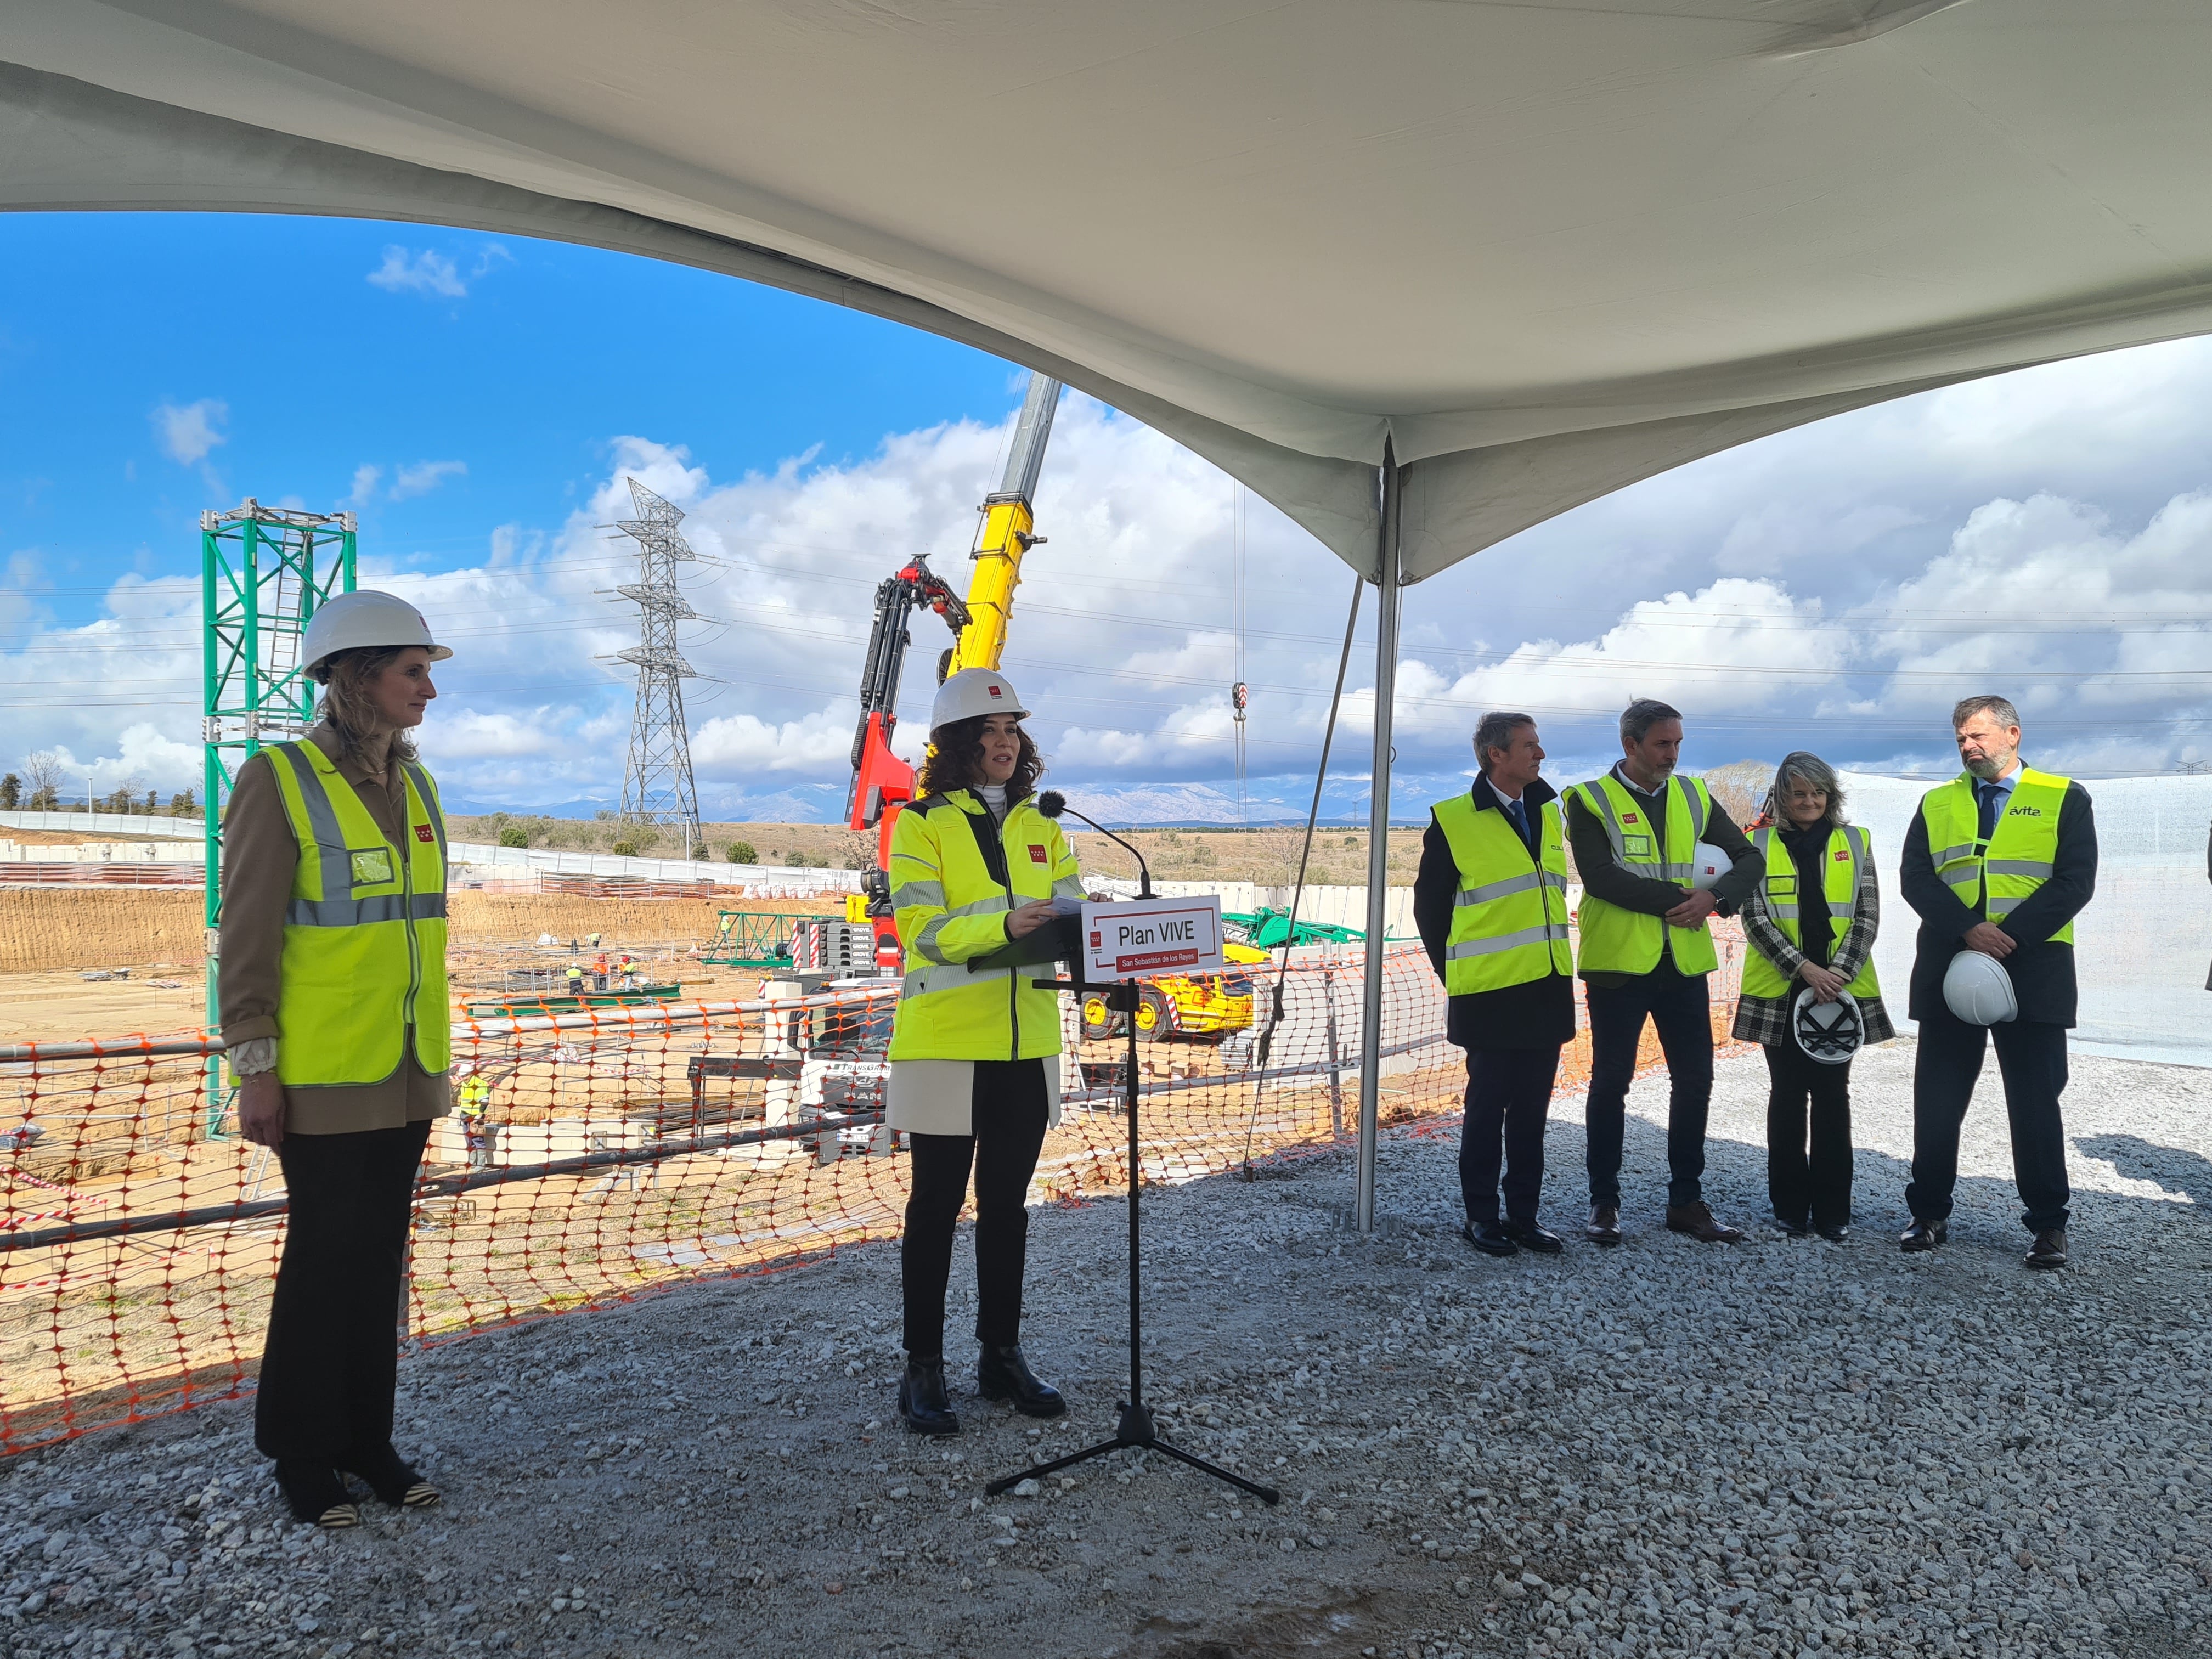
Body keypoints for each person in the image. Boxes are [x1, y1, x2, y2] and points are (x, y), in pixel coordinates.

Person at [219, 589, 453, 1528]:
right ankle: (303, 1453)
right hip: (320, 1076)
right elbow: (246, 934)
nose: (428, 688)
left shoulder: (418, 784)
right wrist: (256, 1065)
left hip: (406, 1071)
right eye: (412, 670)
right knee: (323, 1263)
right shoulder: (278, 779)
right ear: (357, 677)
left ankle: (369, 1440)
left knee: (376, 1262)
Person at [884, 668, 1085, 1435]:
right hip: (944, 1046)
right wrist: (1006, 925)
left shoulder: (1045, 826)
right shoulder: (921, 825)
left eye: (1013, 732)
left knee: (1007, 1209)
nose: (1005, 743)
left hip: (1027, 1043)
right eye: (990, 732)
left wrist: (1089, 925)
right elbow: (922, 933)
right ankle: (923, 1368)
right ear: (960, 744)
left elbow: (1069, 912)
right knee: (935, 1207)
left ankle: (1001, 1356)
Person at [1899, 696, 2096, 1269]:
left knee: (2035, 1104)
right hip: (1948, 967)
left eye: (1979, 736)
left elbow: (2074, 881)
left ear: (2013, 733)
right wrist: (1968, 929)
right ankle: (1928, 1214)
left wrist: (2006, 937)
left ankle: (2048, 1227)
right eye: (1961, 739)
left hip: (2034, 969)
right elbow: (1917, 879)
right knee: (1937, 1103)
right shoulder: (1936, 802)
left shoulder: (2065, 796)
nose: (1968, 747)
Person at [1565, 698, 1761, 1245]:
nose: (1673, 753)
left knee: (1695, 1080)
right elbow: (1601, 878)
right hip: (1618, 967)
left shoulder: (1695, 795)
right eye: (1662, 744)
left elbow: (1750, 859)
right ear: (1631, 745)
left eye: (1677, 743)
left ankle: (1686, 1202)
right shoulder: (1588, 800)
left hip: (1683, 966)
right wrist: (1683, 899)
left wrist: (1716, 899)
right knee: (1610, 1083)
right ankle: (1604, 1203)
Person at [1413, 712, 1575, 1257]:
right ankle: (1482, 1217)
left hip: (1546, 989)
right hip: (1488, 995)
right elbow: (1431, 912)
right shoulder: (1455, 820)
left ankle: (1524, 1217)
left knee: (1532, 1113)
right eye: (1530, 745)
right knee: (1487, 1112)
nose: (1541, 754)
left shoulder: (1548, 812)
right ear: (1495, 756)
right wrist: (1456, 975)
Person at [1731, 753, 1894, 1241]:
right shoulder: (1755, 844)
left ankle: (1833, 1211)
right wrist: (1803, 968)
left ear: (1831, 796)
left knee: (1831, 1097)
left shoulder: (1856, 841)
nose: (1809, 801)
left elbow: (1867, 914)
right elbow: (1754, 918)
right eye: (1799, 793)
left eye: (1817, 793)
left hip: (1840, 991)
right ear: (1782, 797)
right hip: (1780, 989)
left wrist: (1836, 973)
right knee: (1786, 1096)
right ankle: (1789, 1207)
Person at [456, 1066, 495, 1172]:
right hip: (465, 1116)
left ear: (472, 1073)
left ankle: (481, 1165)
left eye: (465, 1076)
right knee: (469, 1140)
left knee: (478, 1140)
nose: (464, 1078)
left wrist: (480, 1115)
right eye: (462, 1076)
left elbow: (484, 1101)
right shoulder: (465, 1084)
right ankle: (472, 1163)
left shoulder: (479, 1084)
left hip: (475, 1118)